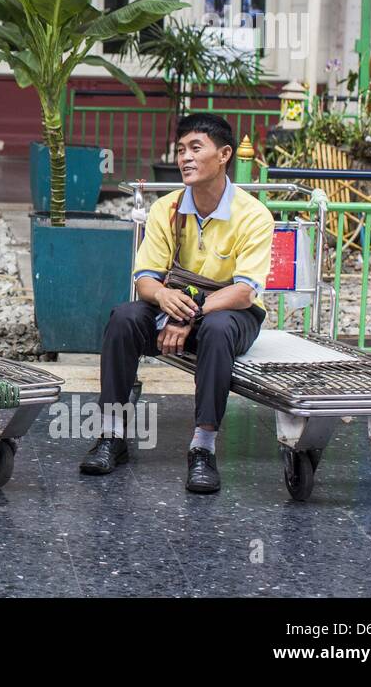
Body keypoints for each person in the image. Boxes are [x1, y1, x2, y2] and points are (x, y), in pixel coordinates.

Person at [80, 113, 274, 494]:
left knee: (217, 330)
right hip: (179, 303)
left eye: (196, 148)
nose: (185, 157)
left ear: (224, 155)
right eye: (181, 149)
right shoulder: (166, 208)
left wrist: (189, 314)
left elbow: (244, 291)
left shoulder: (254, 215)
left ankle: (203, 449)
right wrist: (167, 299)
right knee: (124, 318)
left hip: (231, 314)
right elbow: (145, 280)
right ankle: (112, 435)